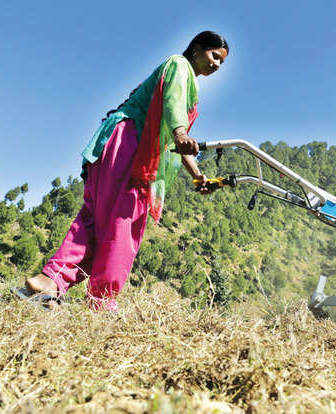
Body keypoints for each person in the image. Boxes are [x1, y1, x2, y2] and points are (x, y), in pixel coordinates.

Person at [21, 31, 229, 310]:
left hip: (115, 142)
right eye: (215, 55)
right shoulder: (180, 66)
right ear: (197, 48)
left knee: (96, 219)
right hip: (130, 144)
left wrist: (197, 175)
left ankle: (50, 280)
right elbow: (173, 106)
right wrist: (180, 131)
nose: (217, 64)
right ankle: (102, 302)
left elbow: (171, 139)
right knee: (124, 222)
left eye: (222, 62)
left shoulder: (187, 83)